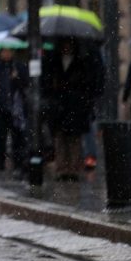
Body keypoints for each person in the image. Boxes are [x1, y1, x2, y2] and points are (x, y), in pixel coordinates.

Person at [42, 37, 104, 181]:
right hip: (59, 107)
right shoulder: (53, 61)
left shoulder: (81, 61)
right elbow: (47, 81)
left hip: (75, 106)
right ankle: (62, 168)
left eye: (69, 44)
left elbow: (89, 82)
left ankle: (73, 169)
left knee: (74, 139)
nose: (66, 47)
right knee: (60, 138)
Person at [0, 47, 29, 174]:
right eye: (5, 51)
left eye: (9, 51)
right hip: (0, 107)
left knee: (17, 139)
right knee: (0, 137)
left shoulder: (18, 67)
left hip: (15, 109)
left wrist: (17, 79)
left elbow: (26, 83)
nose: (7, 54)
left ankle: (18, 164)